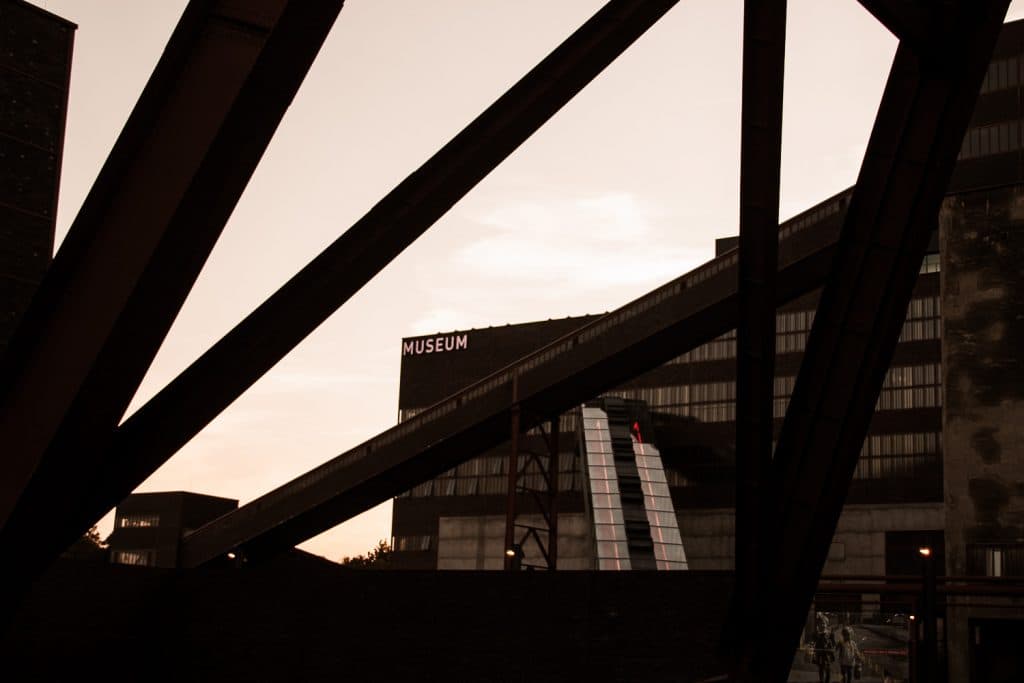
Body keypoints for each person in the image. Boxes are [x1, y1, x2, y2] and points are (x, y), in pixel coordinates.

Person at [812, 615, 836, 683]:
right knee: (821, 668)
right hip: (819, 654)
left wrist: (832, 646)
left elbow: (834, 643)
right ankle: (821, 680)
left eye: (823, 623)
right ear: (818, 625)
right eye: (820, 623)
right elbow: (814, 641)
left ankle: (827, 681)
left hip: (827, 654)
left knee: (828, 668)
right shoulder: (817, 634)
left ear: (826, 624)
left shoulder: (829, 634)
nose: (822, 625)